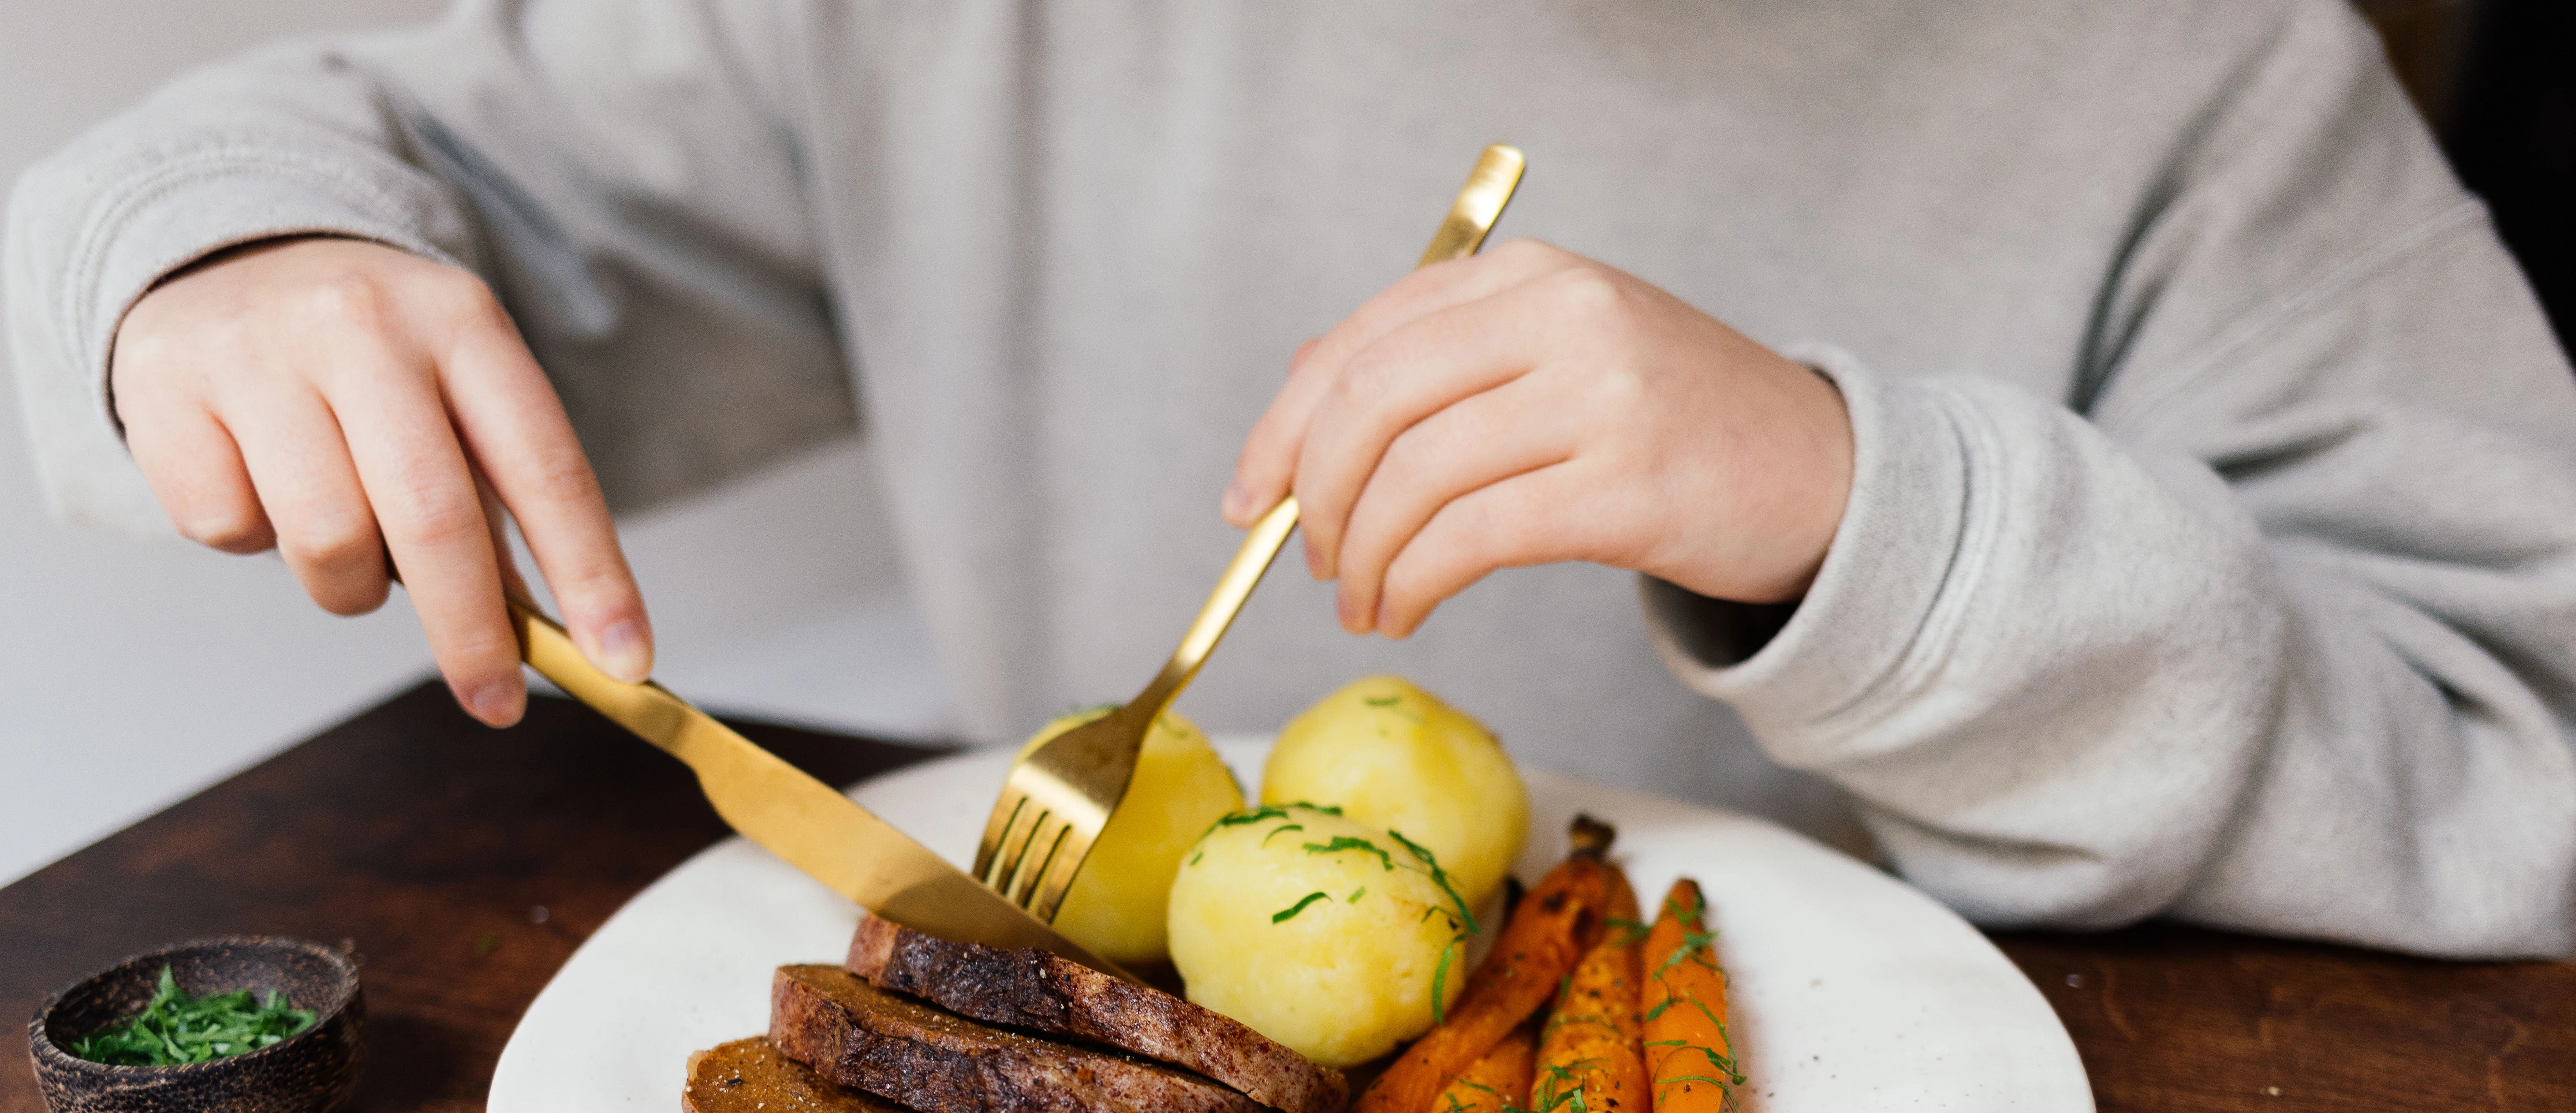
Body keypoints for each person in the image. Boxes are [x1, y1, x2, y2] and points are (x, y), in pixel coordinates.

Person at [9, 0, 2575, 958]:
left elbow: (2523, 761)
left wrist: (1852, 516)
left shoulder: (2209, 78)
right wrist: (216, 262)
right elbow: (345, 153)